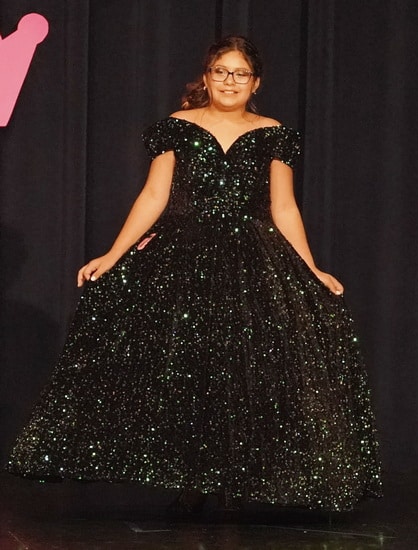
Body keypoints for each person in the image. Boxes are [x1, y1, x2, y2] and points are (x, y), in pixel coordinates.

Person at [6, 35, 382, 512]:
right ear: (206, 77)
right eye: (221, 72)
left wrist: (309, 268)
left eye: (240, 73)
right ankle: (190, 480)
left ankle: (233, 484)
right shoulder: (178, 127)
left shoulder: (273, 133)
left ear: (256, 83)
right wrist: (114, 254)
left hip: (252, 258)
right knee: (188, 369)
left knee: (243, 369)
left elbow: (284, 207)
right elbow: (154, 195)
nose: (230, 81)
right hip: (184, 255)